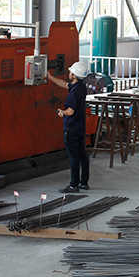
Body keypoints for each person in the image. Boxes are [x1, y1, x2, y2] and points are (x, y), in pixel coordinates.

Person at [48, 62, 89, 193]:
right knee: (82, 155)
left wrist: (62, 112)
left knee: (73, 157)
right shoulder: (80, 87)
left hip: (71, 128)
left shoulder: (74, 92)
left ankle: (73, 185)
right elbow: (65, 84)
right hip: (80, 127)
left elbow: (70, 111)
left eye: (71, 72)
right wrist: (50, 77)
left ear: (75, 75)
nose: (69, 73)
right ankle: (84, 182)